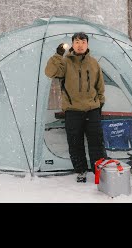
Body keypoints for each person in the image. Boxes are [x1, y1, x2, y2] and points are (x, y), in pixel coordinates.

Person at [45, 32, 106, 183]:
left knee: (96, 142)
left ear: (87, 45)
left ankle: (99, 169)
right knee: (75, 142)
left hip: (92, 110)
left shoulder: (93, 63)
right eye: (77, 42)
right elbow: (50, 72)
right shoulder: (65, 62)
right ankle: (81, 171)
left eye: (83, 42)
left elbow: (100, 85)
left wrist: (99, 103)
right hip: (73, 110)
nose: (80, 45)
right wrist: (58, 55)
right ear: (72, 45)